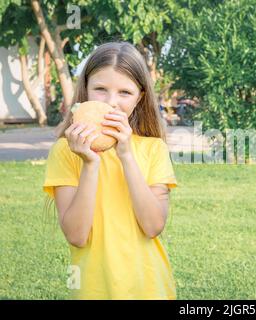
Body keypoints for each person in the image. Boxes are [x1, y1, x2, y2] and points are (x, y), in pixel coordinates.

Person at [43, 42, 177, 300]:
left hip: (150, 289)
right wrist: (90, 163)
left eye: (124, 92)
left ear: (140, 98)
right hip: (93, 291)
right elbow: (76, 235)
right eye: (100, 89)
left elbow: (152, 226)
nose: (111, 103)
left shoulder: (153, 149)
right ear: (85, 92)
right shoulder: (65, 152)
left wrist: (126, 154)